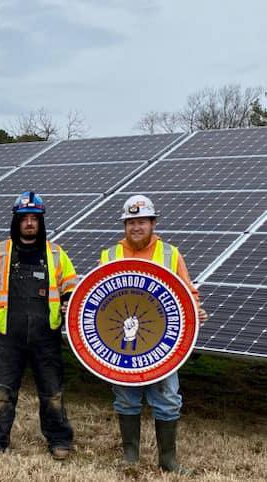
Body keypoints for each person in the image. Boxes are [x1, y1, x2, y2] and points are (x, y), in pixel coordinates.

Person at [98, 194, 208, 473]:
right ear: (125, 225)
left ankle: (168, 461)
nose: (136, 227)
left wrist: (195, 311)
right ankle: (130, 457)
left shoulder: (170, 253)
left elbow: (187, 292)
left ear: (153, 223)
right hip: (121, 345)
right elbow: (97, 295)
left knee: (169, 400)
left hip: (163, 344)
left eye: (142, 221)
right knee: (125, 398)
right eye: (131, 222)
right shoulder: (110, 255)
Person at [0, 191, 78, 460]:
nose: (29, 223)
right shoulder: (0, 253)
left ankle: (59, 440)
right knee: (1, 393)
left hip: (47, 338)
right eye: (24, 218)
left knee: (52, 393)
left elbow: (72, 291)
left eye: (34, 218)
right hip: (9, 339)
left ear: (41, 222)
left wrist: (62, 313)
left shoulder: (56, 254)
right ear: (16, 222)